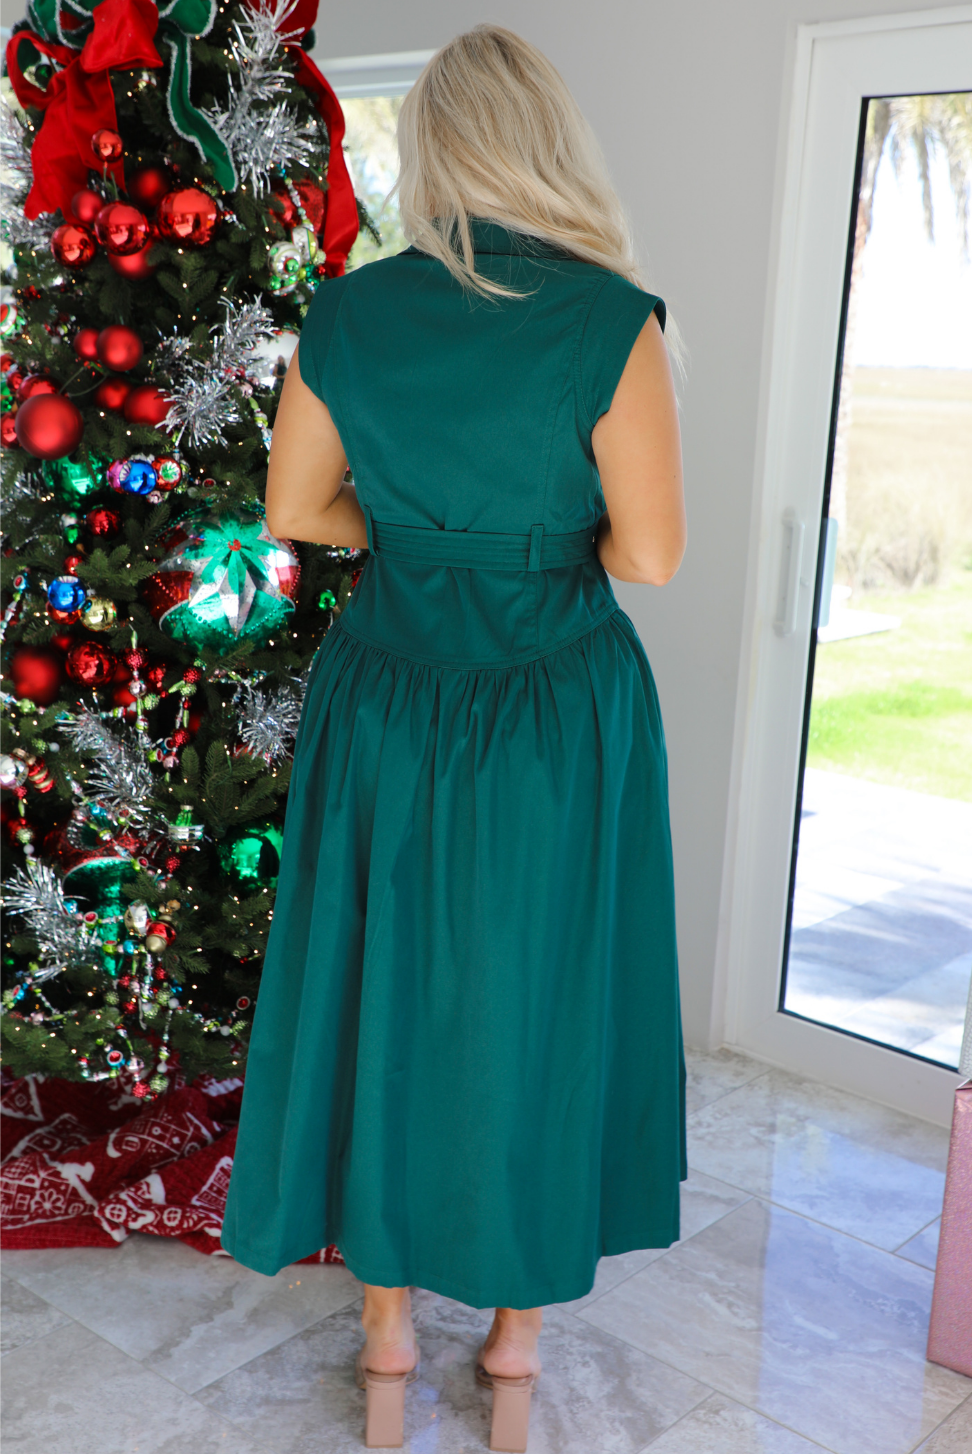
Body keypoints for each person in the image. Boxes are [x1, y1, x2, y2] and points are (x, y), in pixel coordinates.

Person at [221, 24, 687, 1452]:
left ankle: (380, 1335)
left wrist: (423, 543)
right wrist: (519, 543)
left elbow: (296, 515)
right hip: (552, 704)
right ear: (549, 144)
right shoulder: (613, 320)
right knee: (534, 994)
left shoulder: (352, 315)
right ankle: (512, 1343)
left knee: (380, 977)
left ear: (431, 153)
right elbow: (653, 556)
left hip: (391, 691)